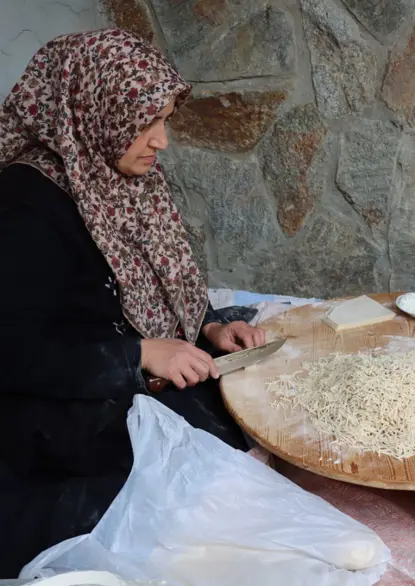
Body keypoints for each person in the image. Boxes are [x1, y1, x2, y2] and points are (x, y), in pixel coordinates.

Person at [0, 29, 267, 575]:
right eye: (146, 121)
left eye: (164, 119)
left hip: (121, 376)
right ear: (93, 111)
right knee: (200, 467)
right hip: (55, 414)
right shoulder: (25, 207)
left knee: (248, 398)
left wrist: (206, 326)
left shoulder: (116, 178)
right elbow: (14, 353)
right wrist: (139, 356)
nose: (161, 140)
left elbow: (150, 281)